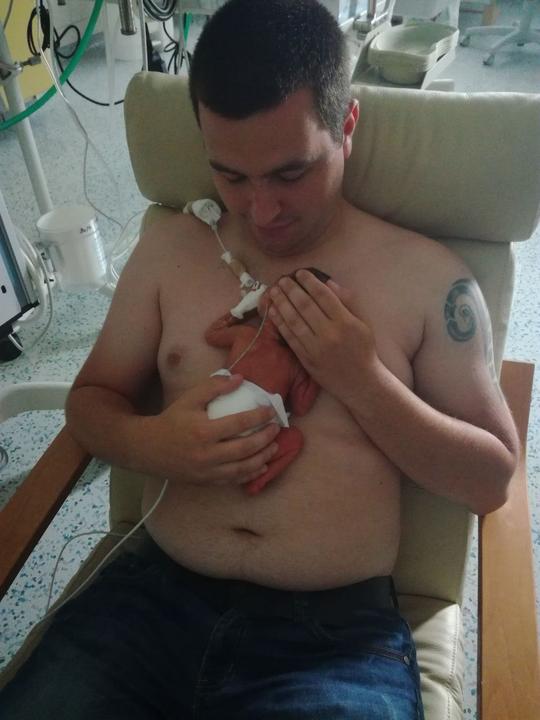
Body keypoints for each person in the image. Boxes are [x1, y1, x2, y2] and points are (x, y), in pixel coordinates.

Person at [0, 0, 519, 718]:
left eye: (290, 172)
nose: (261, 210)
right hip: (147, 602)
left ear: (347, 127)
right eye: (231, 176)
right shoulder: (172, 249)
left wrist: (361, 380)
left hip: (334, 642)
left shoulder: (430, 281)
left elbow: (491, 479)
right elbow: (90, 403)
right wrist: (156, 445)